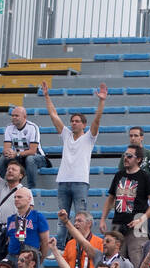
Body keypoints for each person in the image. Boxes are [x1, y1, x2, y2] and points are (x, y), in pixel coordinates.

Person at [40, 80, 106, 228]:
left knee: (80, 217)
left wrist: (101, 101)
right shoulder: (66, 135)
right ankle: (62, 247)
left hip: (80, 182)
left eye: (77, 121)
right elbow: (53, 115)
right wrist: (46, 96)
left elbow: (97, 120)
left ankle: (80, 246)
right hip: (63, 181)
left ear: (84, 124)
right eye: (72, 121)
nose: (73, 123)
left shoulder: (89, 137)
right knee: (62, 218)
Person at [100, 146, 150, 268]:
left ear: (138, 159)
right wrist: (102, 219)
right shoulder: (118, 175)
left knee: (137, 261)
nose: (126, 158)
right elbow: (110, 199)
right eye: (125, 155)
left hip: (138, 224)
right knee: (115, 262)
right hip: (118, 223)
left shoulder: (145, 176)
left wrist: (141, 219)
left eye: (129, 156)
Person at [0, 104, 44, 189]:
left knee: (30, 159)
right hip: (20, 158)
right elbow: (6, 148)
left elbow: (33, 151)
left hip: (37, 157)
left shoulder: (33, 127)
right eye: (12, 116)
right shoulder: (9, 128)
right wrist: (8, 152)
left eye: (16, 116)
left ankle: (31, 189)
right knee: (3, 158)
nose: (14, 117)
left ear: (24, 117)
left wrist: (16, 154)